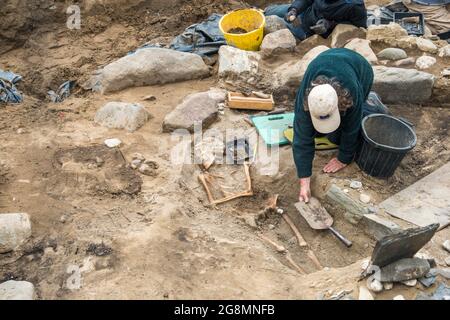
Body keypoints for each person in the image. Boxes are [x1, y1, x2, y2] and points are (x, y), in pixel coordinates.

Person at [293, 48, 389, 203]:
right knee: (314, 131)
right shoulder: (305, 100)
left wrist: (344, 158)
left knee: (342, 133)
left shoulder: (351, 93)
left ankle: (373, 103)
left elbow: (352, 129)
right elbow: (301, 138)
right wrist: (305, 181)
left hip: (359, 69)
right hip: (326, 60)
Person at [264, 0, 368, 40]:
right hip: (305, 12)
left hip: (309, 31)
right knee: (268, 12)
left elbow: (360, 26)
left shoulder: (355, 5)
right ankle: (262, 11)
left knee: (273, 21)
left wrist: (330, 24)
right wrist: (294, 10)